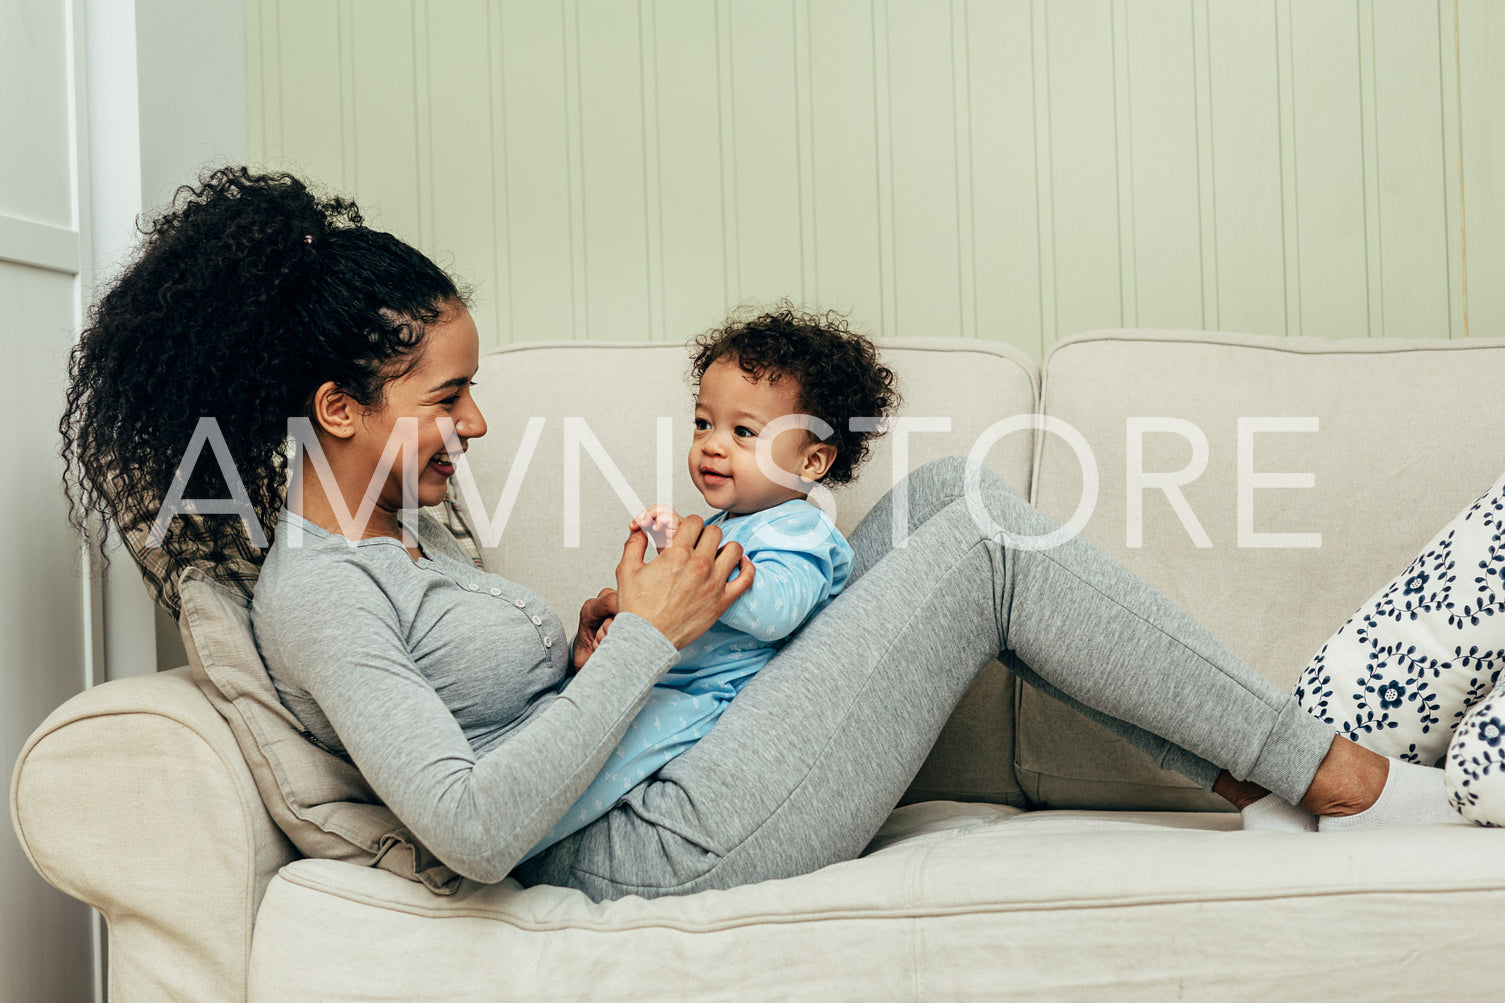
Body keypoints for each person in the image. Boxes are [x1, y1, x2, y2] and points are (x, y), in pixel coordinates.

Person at [59, 167, 1464, 905]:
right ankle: (1326, 772)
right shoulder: (317, 598)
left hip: (662, 760)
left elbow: (507, 712)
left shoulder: (408, 538)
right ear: (336, 409)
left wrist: (602, 629)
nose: (479, 423)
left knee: (936, 497)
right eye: (448, 394)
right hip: (654, 840)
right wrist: (649, 639)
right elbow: (478, 829)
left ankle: (1248, 766)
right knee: (973, 539)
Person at [523, 311, 896, 860]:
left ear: (811, 460)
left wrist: (690, 564)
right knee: (568, 720)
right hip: (674, 679)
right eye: (703, 424)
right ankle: (513, 809)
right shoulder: (726, 523)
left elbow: (777, 612)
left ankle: (527, 840)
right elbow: (671, 611)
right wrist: (627, 618)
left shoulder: (802, 529)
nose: (713, 446)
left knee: (607, 756)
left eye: (743, 432)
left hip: (718, 701)